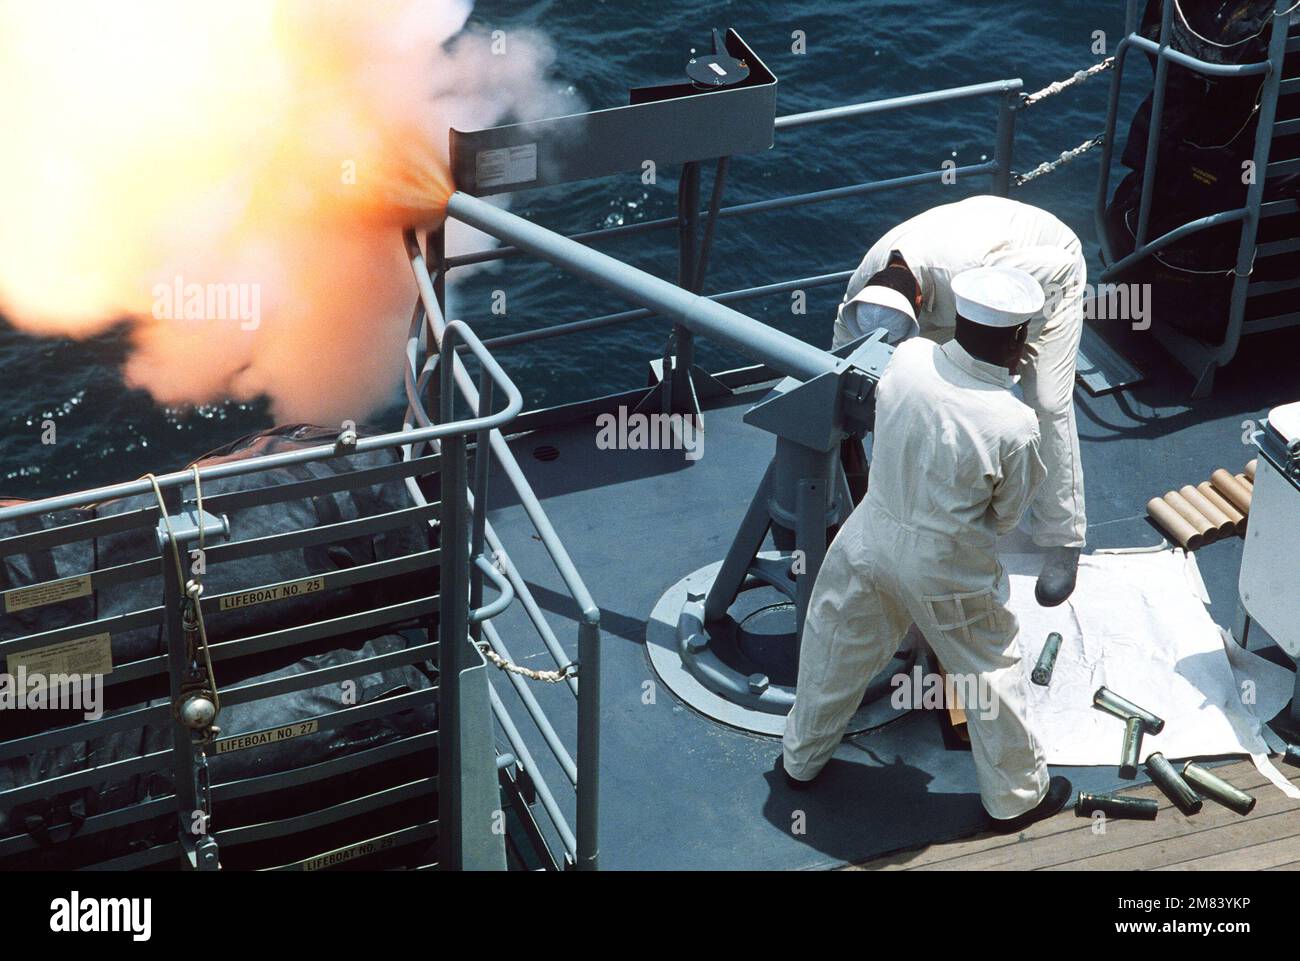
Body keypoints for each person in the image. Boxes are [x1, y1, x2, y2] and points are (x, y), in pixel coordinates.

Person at [781, 265, 1071, 833]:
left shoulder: (908, 359)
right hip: (944, 566)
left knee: (836, 644)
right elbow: (1005, 514)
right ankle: (1016, 797)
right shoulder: (1014, 423)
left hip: (870, 535)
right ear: (1018, 338)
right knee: (989, 671)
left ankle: (801, 759)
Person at [834, 195, 1087, 607]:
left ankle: (1064, 538)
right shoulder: (863, 292)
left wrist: (1011, 349)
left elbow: (1059, 269)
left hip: (1046, 276)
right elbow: (847, 371)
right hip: (960, 287)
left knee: (1048, 403)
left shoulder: (969, 275)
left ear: (918, 304)